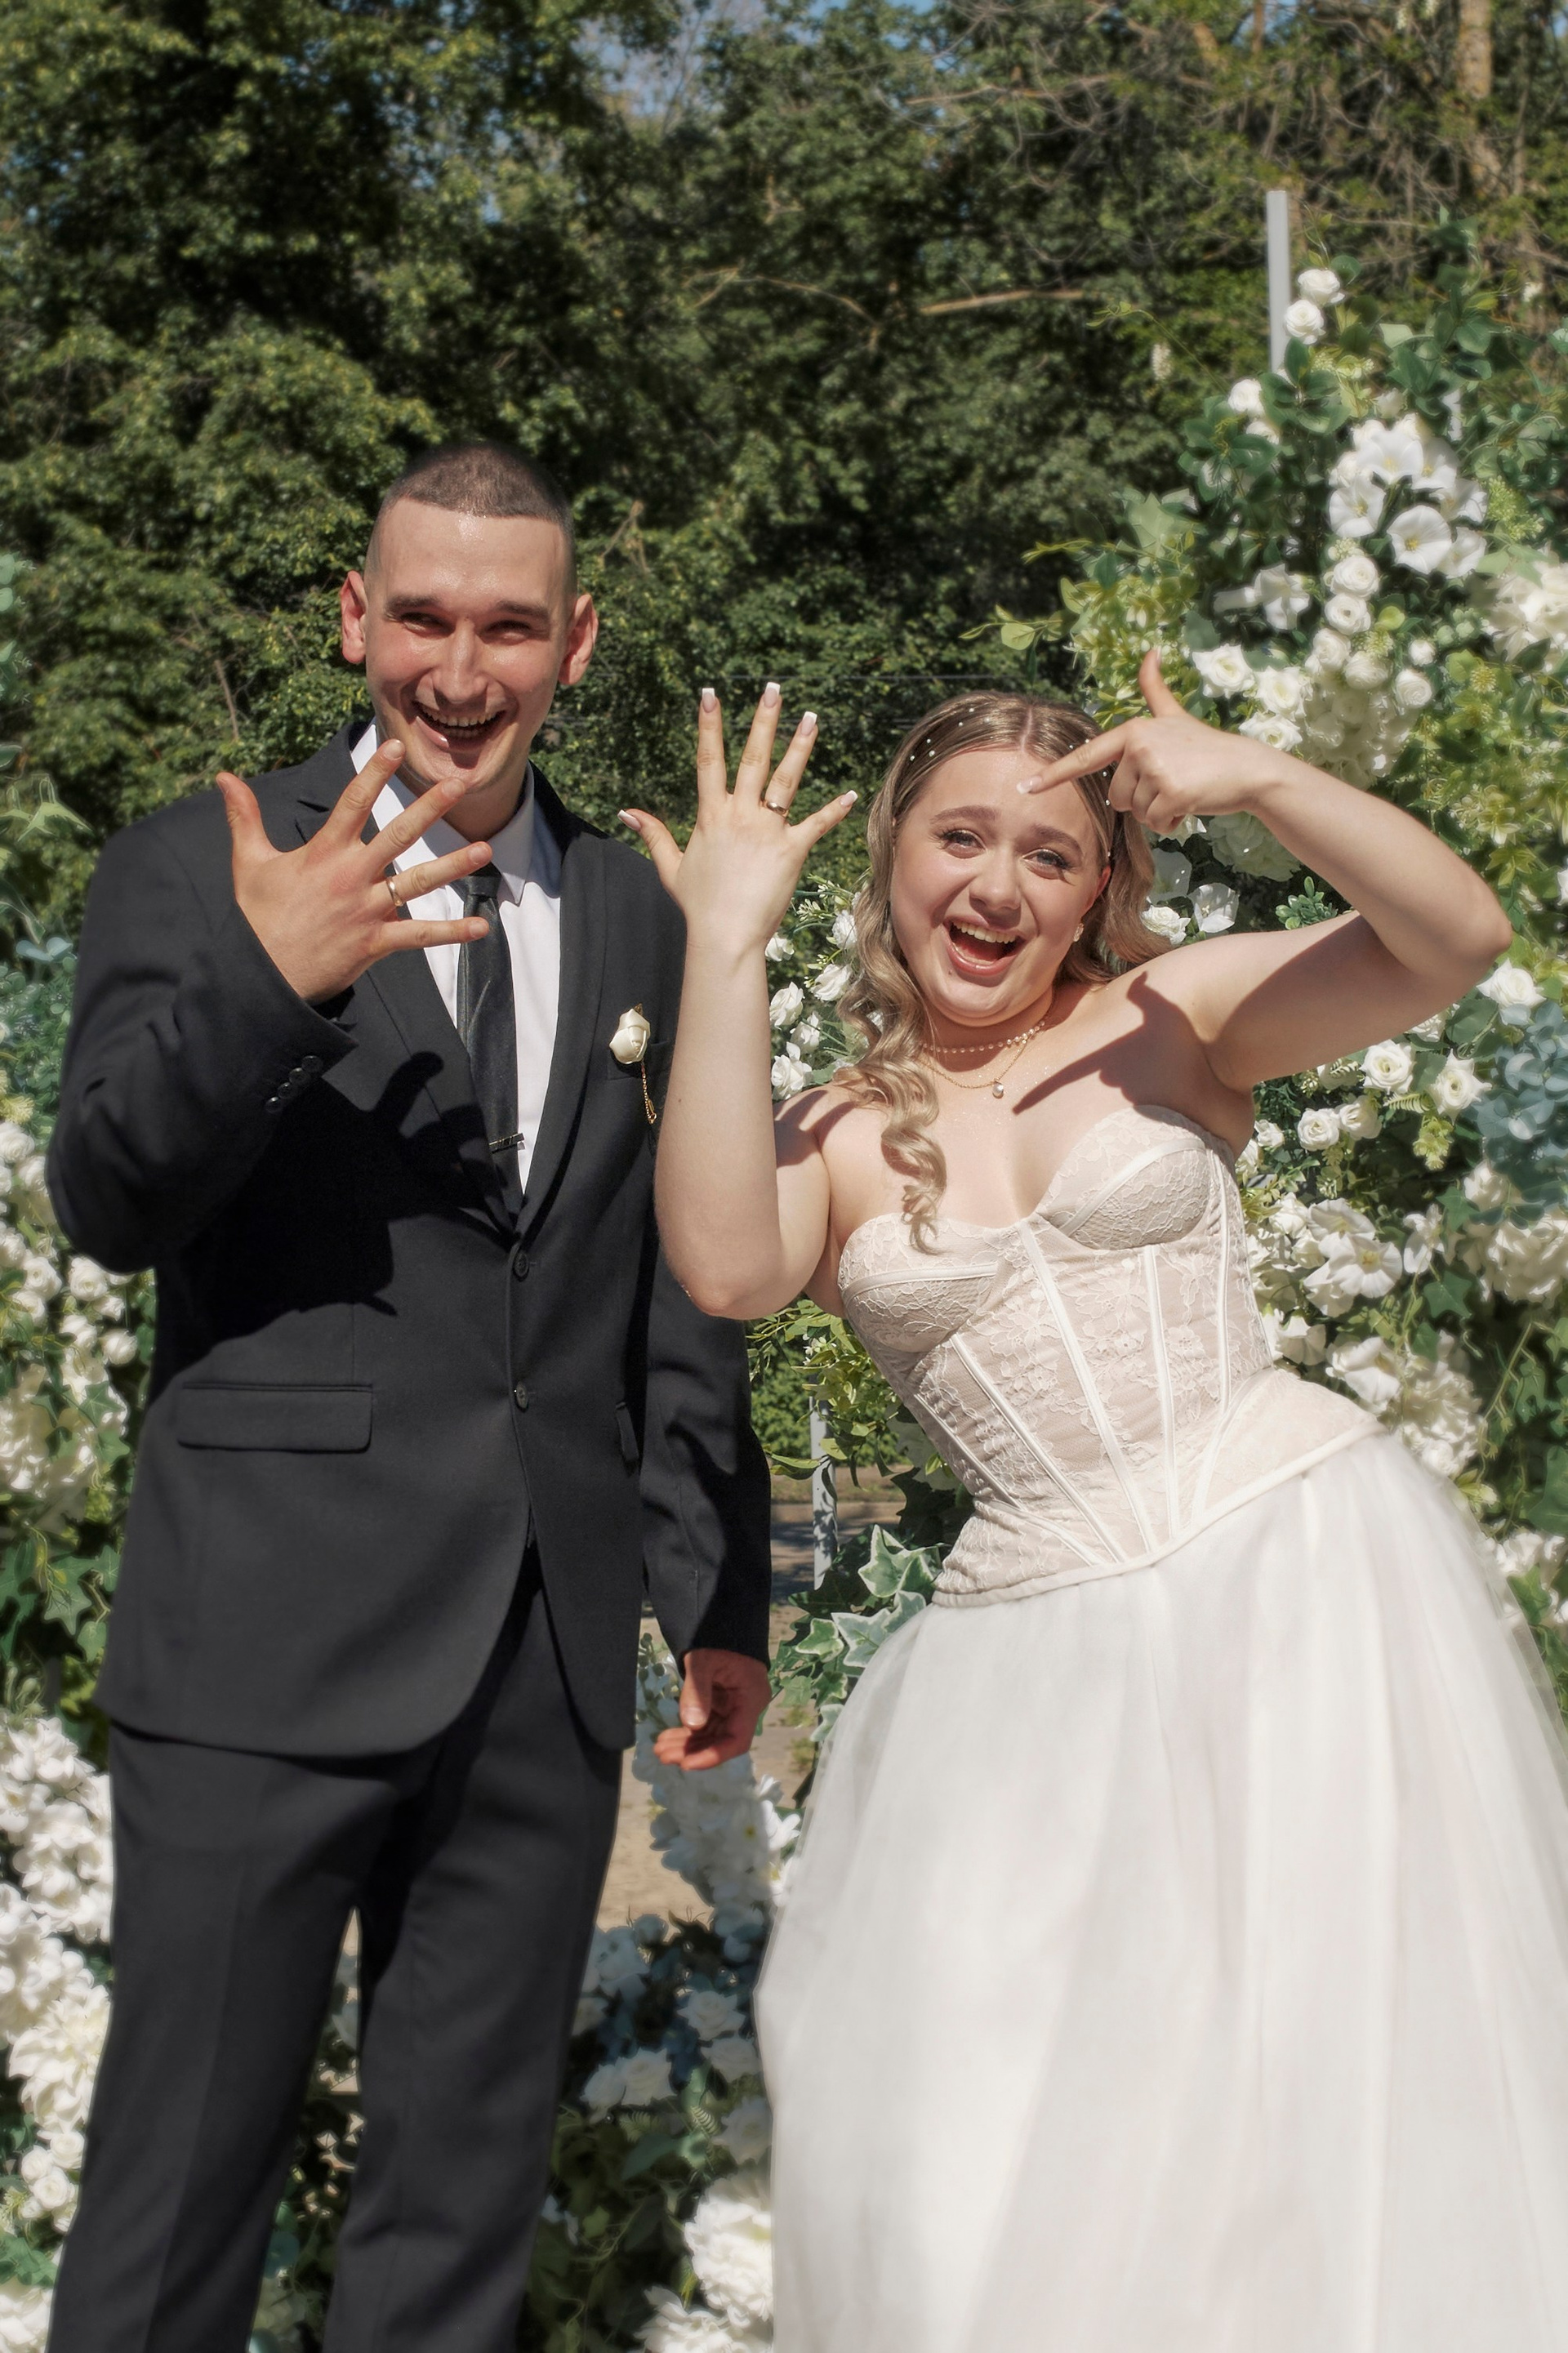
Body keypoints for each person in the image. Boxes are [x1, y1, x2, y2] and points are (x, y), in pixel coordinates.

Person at [624, 657, 1568, 2351]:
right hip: (1032, 1678)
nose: (997, 886)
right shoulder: (833, 1133)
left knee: (1338, 2088)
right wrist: (725, 942)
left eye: (1048, 854)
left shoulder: (1171, 1019)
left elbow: (1454, 939)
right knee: (1032, 2144)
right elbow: (717, 1261)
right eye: (960, 837)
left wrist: (1260, 775)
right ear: (893, 857)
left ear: (1097, 889)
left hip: (1298, 1593)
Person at [43, 442, 773, 2353]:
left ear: (575, 643)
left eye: (509, 626)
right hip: (261, 1642)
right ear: (356, 618)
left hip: (537, 1660)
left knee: (457, 2230)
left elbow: (675, 1272)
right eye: (425, 617)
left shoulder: (638, 911)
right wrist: (268, 984)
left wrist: (714, 1582)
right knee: (174, 2212)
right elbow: (104, 1196)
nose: (462, 668)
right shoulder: (199, 857)